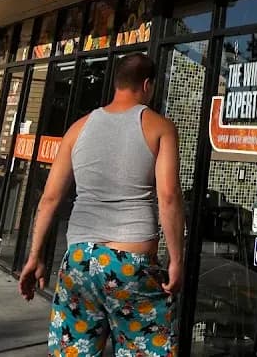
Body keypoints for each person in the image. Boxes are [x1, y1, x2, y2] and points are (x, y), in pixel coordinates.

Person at [18, 53, 184, 357]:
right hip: (131, 263)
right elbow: (169, 196)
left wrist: (35, 255)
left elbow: (50, 199)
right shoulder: (159, 127)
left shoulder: (77, 128)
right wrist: (176, 260)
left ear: (117, 83)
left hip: (79, 260)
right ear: (148, 85)